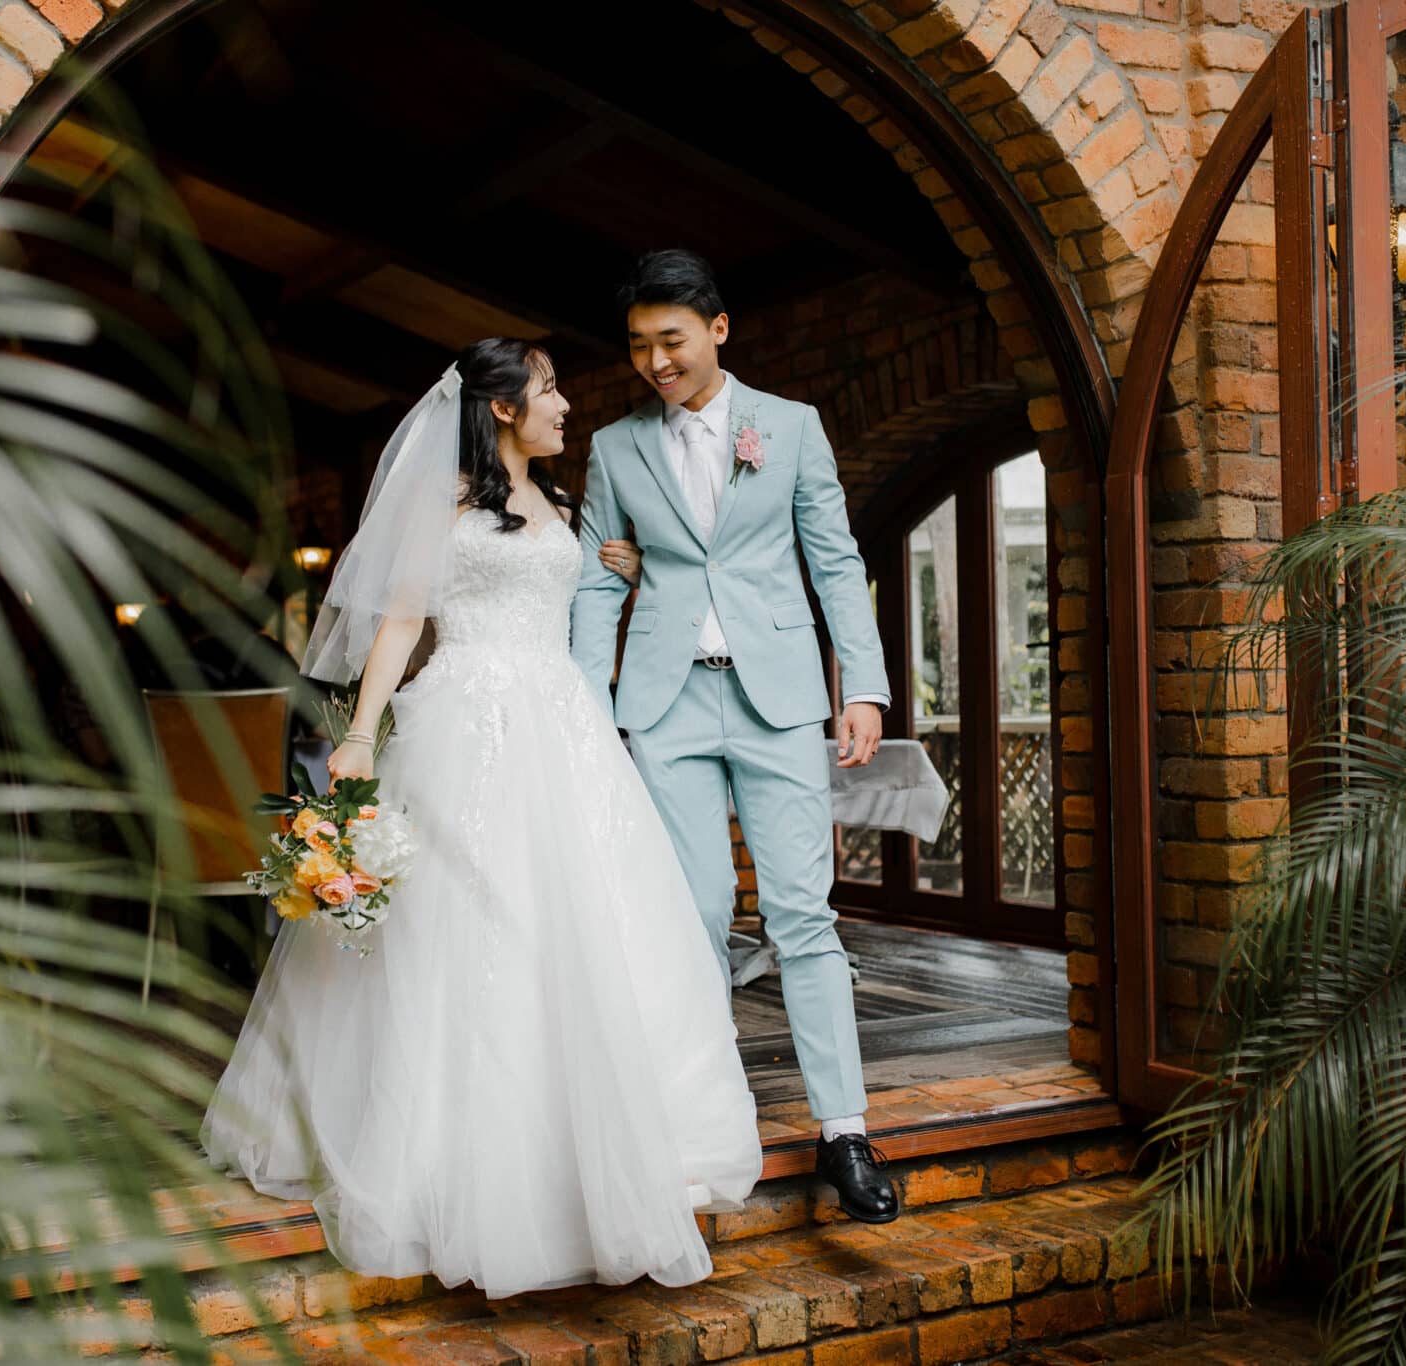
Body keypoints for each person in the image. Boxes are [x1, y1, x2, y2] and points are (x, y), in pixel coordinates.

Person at [199, 337, 760, 1298]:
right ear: (500, 407)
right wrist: (363, 736)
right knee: (471, 931)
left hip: (563, 723)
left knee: (587, 923)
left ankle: (615, 1139)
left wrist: (616, 570)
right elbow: (403, 623)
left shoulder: (560, 504)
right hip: (466, 720)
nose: (565, 406)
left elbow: (569, 596)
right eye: (548, 391)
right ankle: (471, 1156)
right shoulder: (444, 504)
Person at [571, 249, 898, 1223]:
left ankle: (844, 1131)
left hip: (780, 697)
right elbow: (597, 582)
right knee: (692, 917)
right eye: (637, 347)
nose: (654, 363)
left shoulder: (789, 428)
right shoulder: (614, 449)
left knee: (803, 915)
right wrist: (588, 711)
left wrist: (864, 687)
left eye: (669, 341)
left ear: (716, 329)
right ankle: (702, 1127)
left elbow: (835, 562)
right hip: (663, 703)